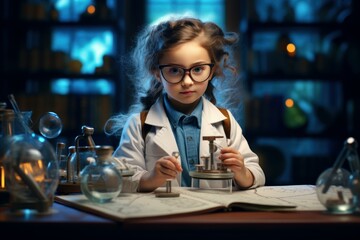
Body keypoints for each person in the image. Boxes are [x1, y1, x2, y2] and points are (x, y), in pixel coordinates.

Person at [104, 16, 266, 192]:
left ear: (212, 70)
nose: (187, 81)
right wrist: (151, 178)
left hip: (213, 217)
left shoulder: (226, 122)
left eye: (197, 69)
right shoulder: (138, 126)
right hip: (163, 216)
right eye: (174, 70)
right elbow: (117, 178)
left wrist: (242, 172)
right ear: (157, 73)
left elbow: (257, 174)